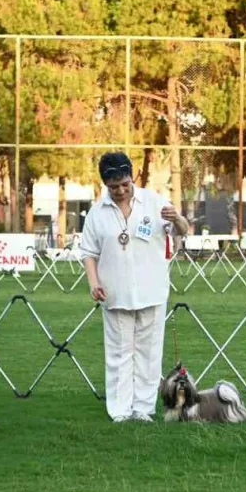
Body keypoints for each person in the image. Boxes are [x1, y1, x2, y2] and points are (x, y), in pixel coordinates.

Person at [80, 152, 190, 423]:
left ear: (133, 178)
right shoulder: (97, 212)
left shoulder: (154, 202)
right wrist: (93, 283)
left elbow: (183, 230)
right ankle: (119, 410)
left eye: (125, 184)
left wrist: (176, 218)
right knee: (119, 353)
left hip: (152, 291)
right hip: (115, 293)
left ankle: (143, 408)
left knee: (149, 353)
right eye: (113, 186)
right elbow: (88, 252)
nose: (120, 191)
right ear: (105, 184)